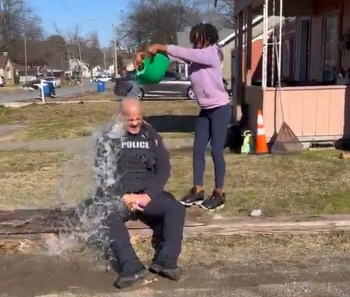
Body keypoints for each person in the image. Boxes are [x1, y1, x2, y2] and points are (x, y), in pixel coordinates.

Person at [136, 23, 231, 211]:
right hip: (205, 110)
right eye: (193, 40)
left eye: (198, 39)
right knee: (197, 150)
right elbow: (176, 56)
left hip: (220, 108)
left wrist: (162, 46)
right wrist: (147, 57)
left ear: (208, 37)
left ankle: (219, 193)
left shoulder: (212, 53)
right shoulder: (196, 55)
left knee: (216, 151)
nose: (195, 43)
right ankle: (197, 190)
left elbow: (188, 54)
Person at [94, 98, 185, 289]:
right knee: (106, 212)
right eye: (129, 119)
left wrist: (147, 196)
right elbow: (102, 173)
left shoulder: (151, 135)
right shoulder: (109, 137)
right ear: (121, 118)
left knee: (175, 208)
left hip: (146, 197)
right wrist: (123, 196)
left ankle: (166, 259)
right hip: (120, 196)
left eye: (139, 118)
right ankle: (130, 265)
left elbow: (163, 169)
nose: (135, 123)